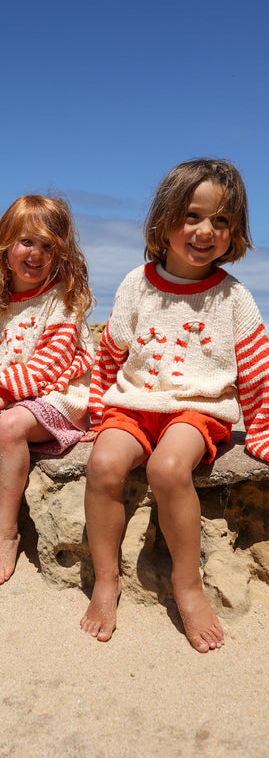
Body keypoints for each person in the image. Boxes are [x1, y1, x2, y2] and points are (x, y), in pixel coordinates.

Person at [80, 158, 269, 652]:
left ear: (236, 231)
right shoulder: (135, 284)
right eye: (192, 215)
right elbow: (111, 353)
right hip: (134, 402)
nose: (205, 230)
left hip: (198, 408)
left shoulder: (234, 298)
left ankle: (187, 587)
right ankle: (106, 579)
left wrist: (263, 432)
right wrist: (99, 412)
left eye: (222, 220)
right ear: (164, 222)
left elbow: (254, 369)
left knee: (167, 469)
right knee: (102, 464)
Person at [0, 194, 94, 586]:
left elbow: (52, 361)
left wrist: (3, 390)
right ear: (5, 244)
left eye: (48, 246)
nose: (36, 254)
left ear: (62, 253)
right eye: (26, 242)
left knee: (10, 426)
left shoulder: (64, 299)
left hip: (58, 394)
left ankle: (5, 530)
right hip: (9, 395)